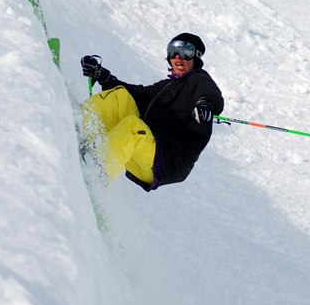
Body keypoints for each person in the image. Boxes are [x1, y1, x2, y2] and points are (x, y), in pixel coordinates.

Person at [80, 33, 224, 192]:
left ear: (195, 57)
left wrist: (206, 103)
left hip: (165, 160)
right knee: (121, 96)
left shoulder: (199, 80)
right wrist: (103, 76)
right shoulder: (167, 86)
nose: (178, 57)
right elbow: (137, 95)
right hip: (142, 148)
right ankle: (80, 124)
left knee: (132, 127)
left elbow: (211, 93)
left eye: (186, 51)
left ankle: (95, 172)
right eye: (172, 50)